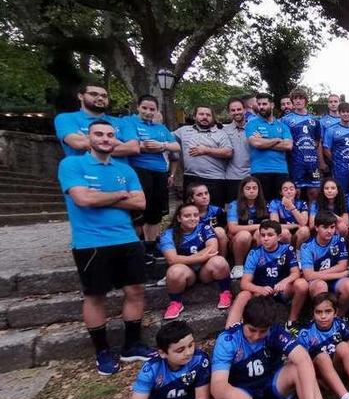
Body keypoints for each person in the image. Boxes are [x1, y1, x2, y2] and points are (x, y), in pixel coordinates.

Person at [58, 120, 156, 375]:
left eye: (110, 135)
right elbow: (82, 198)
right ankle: (102, 350)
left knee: (135, 290)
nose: (105, 139)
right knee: (95, 295)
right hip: (91, 241)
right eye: (99, 134)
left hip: (127, 238)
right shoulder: (72, 164)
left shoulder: (124, 170)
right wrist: (121, 195)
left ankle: (132, 344)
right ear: (88, 137)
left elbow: (141, 203)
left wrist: (100, 197)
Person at [211, 296, 338, 399]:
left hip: (272, 385)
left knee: (298, 367)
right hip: (243, 395)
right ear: (243, 320)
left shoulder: (275, 332)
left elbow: (303, 359)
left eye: (263, 331)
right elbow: (217, 385)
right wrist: (232, 393)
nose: (256, 336)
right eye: (252, 330)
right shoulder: (228, 340)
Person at [108, 321, 217, 399]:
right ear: (163, 353)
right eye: (180, 350)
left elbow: (202, 398)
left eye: (191, 345)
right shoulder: (151, 368)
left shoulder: (199, 360)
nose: (188, 352)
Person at [225, 220, 309, 331]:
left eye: (270, 235)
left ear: (279, 237)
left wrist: (285, 281)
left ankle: (291, 322)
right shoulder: (254, 253)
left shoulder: (287, 249)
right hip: (262, 292)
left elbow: (296, 273)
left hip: (282, 289)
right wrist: (259, 289)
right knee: (244, 294)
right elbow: (244, 283)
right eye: (263, 235)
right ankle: (230, 330)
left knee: (302, 284)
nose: (265, 238)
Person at [126, 95, 181, 264]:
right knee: (139, 211)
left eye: (152, 109)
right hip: (139, 170)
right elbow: (132, 145)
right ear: (138, 107)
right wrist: (146, 146)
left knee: (155, 212)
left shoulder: (160, 128)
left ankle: (150, 246)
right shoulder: (129, 123)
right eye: (145, 108)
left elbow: (176, 147)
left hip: (160, 172)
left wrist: (161, 146)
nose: (148, 112)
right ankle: (137, 247)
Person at [159, 203, 232, 320]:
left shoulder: (205, 227)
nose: (193, 218)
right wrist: (200, 258)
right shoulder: (168, 234)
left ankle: (225, 292)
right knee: (173, 271)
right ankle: (176, 303)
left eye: (195, 215)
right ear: (179, 218)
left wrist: (185, 259)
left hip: (205, 270)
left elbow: (212, 249)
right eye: (187, 216)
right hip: (187, 272)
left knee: (219, 261)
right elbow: (172, 259)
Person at [54, 82, 139, 158]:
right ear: (80, 96)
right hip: (84, 172)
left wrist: (90, 140)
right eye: (94, 94)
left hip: (121, 173)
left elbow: (133, 148)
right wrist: (118, 143)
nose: (100, 98)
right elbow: (78, 143)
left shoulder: (122, 122)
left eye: (104, 96)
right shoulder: (66, 118)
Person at [172, 106, 233, 208]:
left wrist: (206, 150)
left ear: (213, 118)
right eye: (201, 114)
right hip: (190, 178)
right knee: (190, 211)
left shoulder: (221, 133)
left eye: (208, 115)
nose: (205, 117)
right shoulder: (183, 131)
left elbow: (228, 152)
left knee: (215, 213)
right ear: (195, 116)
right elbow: (165, 137)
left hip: (214, 179)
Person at [300, 211, 349, 317]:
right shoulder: (307, 246)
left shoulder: (338, 240)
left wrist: (318, 273)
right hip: (317, 282)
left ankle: (337, 317)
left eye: (332, 227)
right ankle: (318, 319)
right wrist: (340, 274)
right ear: (317, 227)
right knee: (320, 285)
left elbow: (343, 265)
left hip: (332, 280)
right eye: (325, 227)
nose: (329, 231)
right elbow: (308, 276)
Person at [245, 93, 292, 202]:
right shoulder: (252, 124)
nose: (261, 107)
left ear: (272, 105)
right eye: (259, 104)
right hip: (259, 170)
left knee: (281, 205)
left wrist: (264, 141)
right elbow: (256, 144)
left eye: (264, 104)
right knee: (263, 206)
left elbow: (288, 145)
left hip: (281, 171)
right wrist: (276, 139)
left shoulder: (282, 126)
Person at [282, 89, 325, 199]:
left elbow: (317, 142)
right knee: (296, 192)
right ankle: (296, 215)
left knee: (314, 191)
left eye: (300, 98)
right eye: (295, 99)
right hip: (295, 162)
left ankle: (312, 215)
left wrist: (321, 162)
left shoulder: (315, 120)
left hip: (312, 162)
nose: (298, 101)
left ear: (306, 100)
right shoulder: (286, 120)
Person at [227, 176, 271, 278]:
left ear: (259, 190)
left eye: (254, 188)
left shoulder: (265, 205)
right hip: (238, 242)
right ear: (242, 190)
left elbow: (271, 225)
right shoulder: (234, 205)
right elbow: (232, 228)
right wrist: (258, 226)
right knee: (245, 235)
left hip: (257, 240)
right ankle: (238, 267)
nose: (251, 191)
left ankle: (260, 264)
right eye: (248, 188)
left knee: (262, 233)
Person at [322, 102, 349, 194]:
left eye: (348, 112)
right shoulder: (331, 130)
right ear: (339, 113)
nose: (346, 114)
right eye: (343, 112)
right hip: (340, 169)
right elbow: (326, 148)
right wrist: (336, 160)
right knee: (341, 192)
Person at [223, 97, 252, 204]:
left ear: (244, 110)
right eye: (233, 110)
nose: (236, 112)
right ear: (229, 112)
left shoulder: (254, 128)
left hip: (251, 176)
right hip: (232, 176)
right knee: (233, 209)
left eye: (239, 109)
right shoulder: (224, 130)